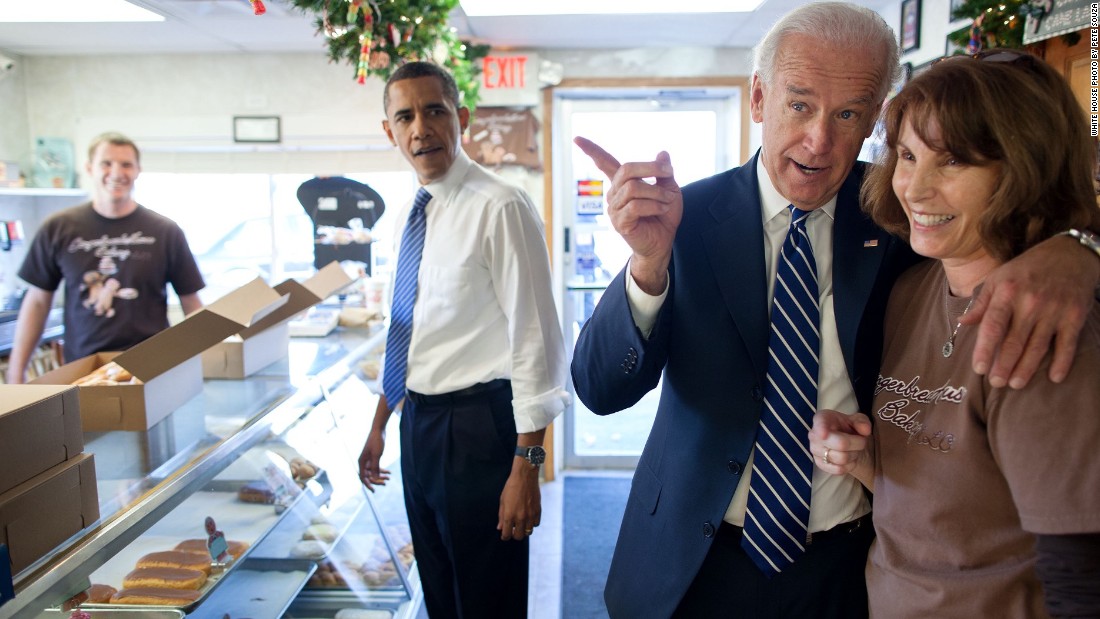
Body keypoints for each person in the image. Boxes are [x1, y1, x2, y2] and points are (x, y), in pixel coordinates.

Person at [570, 3, 1100, 618]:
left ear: (876, 116)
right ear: (760, 98)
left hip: (851, 566)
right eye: (799, 105)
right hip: (693, 563)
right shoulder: (682, 220)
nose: (819, 140)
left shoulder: (906, 217)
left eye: (849, 113)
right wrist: (647, 266)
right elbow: (601, 389)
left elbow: (1017, 212)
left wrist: (1077, 247)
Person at [809, 51, 1100, 617]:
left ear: (1023, 170)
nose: (914, 188)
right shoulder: (911, 289)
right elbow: (950, 498)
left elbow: (1082, 578)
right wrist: (859, 456)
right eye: (908, 156)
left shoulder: (1040, 325)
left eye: (952, 164)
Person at [356, 61, 567, 619]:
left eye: (434, 111)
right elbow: (407, 329)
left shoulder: (500, 205)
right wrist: (381, 423)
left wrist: (528, 465)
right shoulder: (406, 214)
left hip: (479, 430)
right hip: (418, 428)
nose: (420, 128)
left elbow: (536, 340)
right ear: (390, 132)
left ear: (461, 118)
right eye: (405, 116)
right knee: (441, 595)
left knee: (487, 601)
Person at [6, 132, 204, 384]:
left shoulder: (165, 231)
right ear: (90, 168)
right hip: (84, 370)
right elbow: (37, 303)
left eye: (126, 164)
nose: (116, 172)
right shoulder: (58, 228)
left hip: (153, 369)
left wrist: (209, 360)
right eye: (106, 163)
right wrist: (16, 371)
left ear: (138, 170)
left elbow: (191, 303)